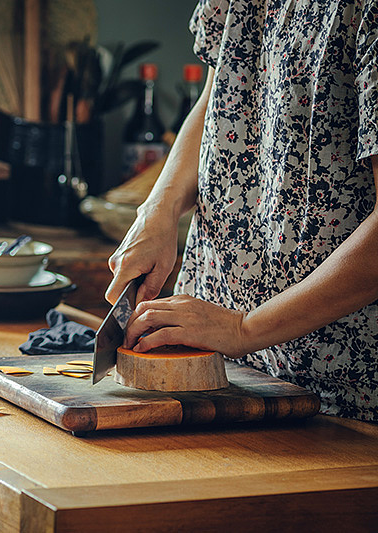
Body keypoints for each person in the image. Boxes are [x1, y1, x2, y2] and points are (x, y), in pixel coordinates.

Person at [105, 0, 378, 421]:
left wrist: (244, 329)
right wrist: (158, 207)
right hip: (222, 371)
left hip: (340, 397)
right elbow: (218, 98)